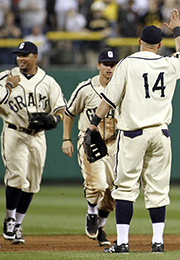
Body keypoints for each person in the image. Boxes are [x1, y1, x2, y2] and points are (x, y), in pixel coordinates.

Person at [88, 9, 180, 253]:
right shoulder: (168, 63)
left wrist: (93, 123)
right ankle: (157, 242)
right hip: (161, 134)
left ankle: (122, 242)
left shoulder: (128, 63)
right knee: (157, 190)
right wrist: (178, 29)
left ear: (139, 41)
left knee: (125, 189)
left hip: (133, 133)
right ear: (160, 44)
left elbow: (109, 100)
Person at [0, 41, 66, 245]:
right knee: (17, 176)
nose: (21, 58)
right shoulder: (7, 76)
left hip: (38, 136)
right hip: (14, 132)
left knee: (32, 184)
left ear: (36, 56)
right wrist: (7, 86)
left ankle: (17, 224)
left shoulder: (48, 81)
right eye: (18, 55)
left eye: (25, 55)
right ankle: (9, 219)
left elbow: (61, 108)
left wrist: (54, 120)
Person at [62, 49, 119, 247]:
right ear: (98, 66)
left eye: (113, 65)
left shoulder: (123, 87)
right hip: (90, 142)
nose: (109, 68)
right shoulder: (85, 88)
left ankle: (101, 228)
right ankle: (92, 213)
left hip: (114, 143)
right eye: (106, 64)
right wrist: (66, 139)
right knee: (97, 186)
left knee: (114, 192)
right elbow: (69, 113)